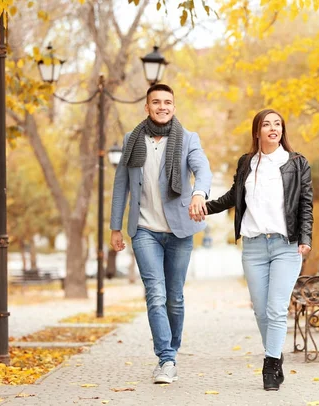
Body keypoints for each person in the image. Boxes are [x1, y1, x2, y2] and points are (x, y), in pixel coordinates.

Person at [198, 108, 313, 391]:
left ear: (282, 130)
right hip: (253, 247)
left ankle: (271, 365)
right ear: (257, 131)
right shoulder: (247, 162)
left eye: (278, 124)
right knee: (261, 312)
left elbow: (305, 204)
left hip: (286, 246)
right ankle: (276, 351)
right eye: (267, 124)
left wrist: (306, 237)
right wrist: (205, 207)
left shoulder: (297, 163)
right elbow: (233, 196)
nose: (273, 128)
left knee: (276, 309)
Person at [110, 83, 212, 385]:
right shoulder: (132, 140)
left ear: (174, 107)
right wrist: (116, 227)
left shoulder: (188, 139)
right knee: (155, 295)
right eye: (156, 102)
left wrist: (199, 193)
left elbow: (202, 169)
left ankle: (173, 351)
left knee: (174, 298)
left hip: (179, 230)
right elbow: (120, 186)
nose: (162, 107)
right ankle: (166, 359)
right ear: (147, 107)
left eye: (168, 102)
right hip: (144, 231)